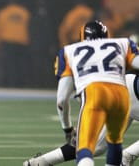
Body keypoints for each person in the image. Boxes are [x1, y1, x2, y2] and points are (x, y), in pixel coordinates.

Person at [52, 20, 139, 166]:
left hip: (94, 94)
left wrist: (67, 128)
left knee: (85, 147)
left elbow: (61, 100)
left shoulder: (69, 51)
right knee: (114, 144)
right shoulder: (123, 44)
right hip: (120, 93)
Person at [22, 73, 139, 166]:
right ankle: (127, 156)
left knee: (97, 146)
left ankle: (42, 162)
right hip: (130, 92)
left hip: (124, 85)